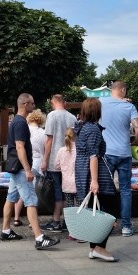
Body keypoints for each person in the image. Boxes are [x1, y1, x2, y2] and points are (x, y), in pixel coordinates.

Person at [0, 93, 60, 251]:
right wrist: (27, 169)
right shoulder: (20, 123)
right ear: (25, 104)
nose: (34, 106)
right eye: (32, 103)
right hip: (20, 168)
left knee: (11, 197)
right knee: (31, 201)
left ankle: (6, 231)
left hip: (14, 167)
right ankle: (39, 237)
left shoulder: (15, 121)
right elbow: (20, 146)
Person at [75, 97, 120, 262]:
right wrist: (94, 180)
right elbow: (93, 155)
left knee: (95, 211)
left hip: (82, 171)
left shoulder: (81, 127)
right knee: (109, 210)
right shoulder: (93, 129)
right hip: (95, 173)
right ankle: (100, 247)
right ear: (97, 112)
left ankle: (94, 248)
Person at [99, 80, 138, 237]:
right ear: (123, 90)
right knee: (125, 190)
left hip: (106, 153)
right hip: (124, 153)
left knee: (104, 189)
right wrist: (135, 142)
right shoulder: (129, 107)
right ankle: (126, 226)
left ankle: (106, 225)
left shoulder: (100, 103)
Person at [40, 94, 77, 233]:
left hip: (55, 159)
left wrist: (44, 160)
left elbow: (49, 140)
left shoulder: (52, 116)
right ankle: (68, 221)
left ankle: (56, 221)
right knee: (68, 192)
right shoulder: (72, 117)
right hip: (70, 159)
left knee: (57, 192)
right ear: (64, 103)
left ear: (52, 102)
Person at [54, 128, 78, 219]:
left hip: (66, 183)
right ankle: (80, 226)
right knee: (80, 206)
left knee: (69, 205)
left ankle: (69, 225)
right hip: (78, 183)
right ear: (75, 137)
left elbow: (56, 166)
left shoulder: (61, 150)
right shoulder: (79, 150)